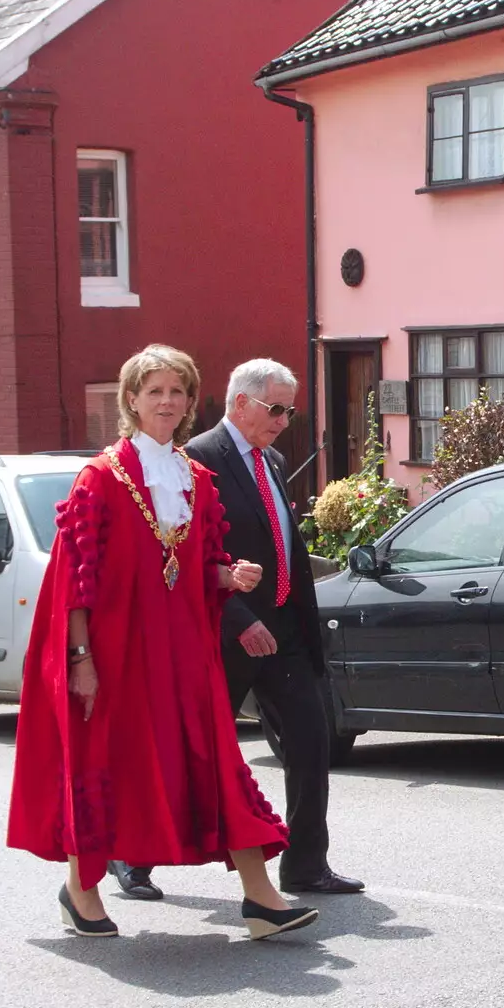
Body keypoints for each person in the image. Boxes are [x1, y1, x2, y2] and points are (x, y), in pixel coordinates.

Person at [7, 345, 318, 941]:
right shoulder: (100, 477)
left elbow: (198, 565)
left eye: (177, 391)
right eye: (155, 391)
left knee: (216, 759)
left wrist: (229, 575)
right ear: (132, 401)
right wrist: (82, 659)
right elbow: (77, 579)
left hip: (184, 651)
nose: (168, 402)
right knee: (107, 765)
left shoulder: (195, 477)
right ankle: (81, 891)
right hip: (117, 651)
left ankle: (260, 897)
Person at [182, 359, 364, 896]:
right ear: (240, 403)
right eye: (276, 408)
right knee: (197, 753)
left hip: (284, 629)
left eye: (290, 409)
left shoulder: (273, 459)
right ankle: (132, 856)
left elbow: (285, 543)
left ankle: (306, 864)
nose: (285, 419)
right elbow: (191, 554)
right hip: (228, 630)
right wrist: (238, 618)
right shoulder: (198, 460)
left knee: (311, 744)